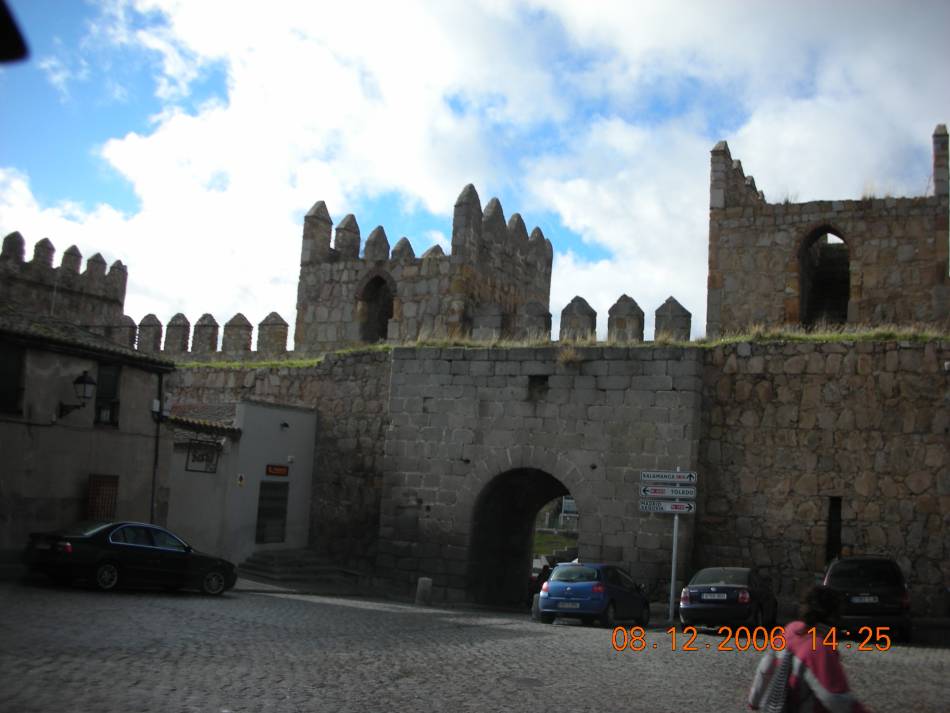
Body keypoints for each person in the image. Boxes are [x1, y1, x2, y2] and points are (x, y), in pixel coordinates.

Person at [748, 585, 870, 712]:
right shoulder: (819, 648)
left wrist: (754, 701)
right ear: (833, 614)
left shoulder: (790, 630)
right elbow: (835, 699)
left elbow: (765, 668)